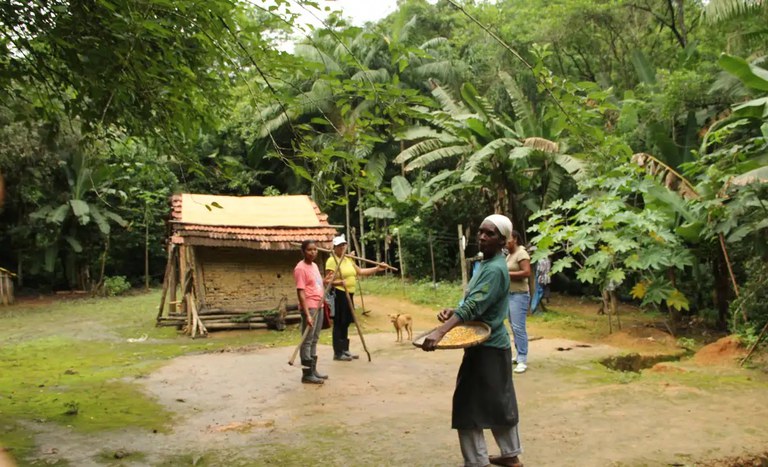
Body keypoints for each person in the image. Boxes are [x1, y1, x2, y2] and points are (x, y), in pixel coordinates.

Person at [421, 214, 523, 467]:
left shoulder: (496, 269)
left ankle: (477, 461)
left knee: (467, 407)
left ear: (502, 240)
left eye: (489, 234)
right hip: (486, 345)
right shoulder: (486, 264)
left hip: (488, 346)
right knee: (499, 400)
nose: (482, 237)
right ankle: (510, 454)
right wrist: (454, 311)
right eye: (480, 232)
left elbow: (475, 306)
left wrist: (441, 331)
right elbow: (474, 304)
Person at [324, 234, 387, 361]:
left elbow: (360, 272)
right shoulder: (332, 260)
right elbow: (327, 281)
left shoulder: (348, 259)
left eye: (343, 245)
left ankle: (345, 350)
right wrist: (339, 282)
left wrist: (377, 268)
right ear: (334, 247)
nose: (342, 247)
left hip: (350, 294)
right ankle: (338, 352)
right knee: (339, 322)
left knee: (346, 322)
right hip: (339, 293)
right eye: (339, 245)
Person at [293, 240, 327, 384]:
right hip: (310, 307)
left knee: (314, 338)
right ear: (303, 251)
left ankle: (313, 370)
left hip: (319, 305)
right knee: (307, 341)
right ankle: (306, 374)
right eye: (309, 250)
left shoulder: (314, 266)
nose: (313, 252)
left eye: (315, 249)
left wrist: (326, 280)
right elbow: (301, 292)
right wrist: (307, 314)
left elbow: (317, 284)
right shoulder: (300, 268)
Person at [506, 230, 531, 374]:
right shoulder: (509, 255)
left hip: (519, 295)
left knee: (519, 328)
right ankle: (518, 354)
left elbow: (527, 272)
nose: (506, 242)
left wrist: (506, 273)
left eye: (508, 239)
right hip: (509, 295)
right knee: (513, 327)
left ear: (514, 239)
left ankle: (522, 359)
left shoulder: (521, 253)